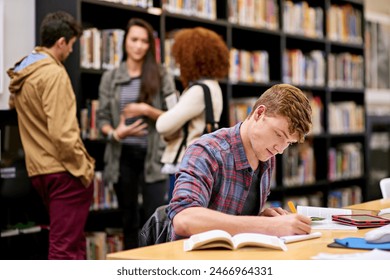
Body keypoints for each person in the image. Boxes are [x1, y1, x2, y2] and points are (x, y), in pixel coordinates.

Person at [167, 84, 313, 241]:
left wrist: (262, 218)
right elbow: (183, 219)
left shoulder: (266, 156)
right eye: (278, 134)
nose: (280, 149)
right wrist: (266, 227)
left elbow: (239, 219)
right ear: (259, 113)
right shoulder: (206, 151)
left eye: (289, 142)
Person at [7, 11, 95, 259]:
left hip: (39, 170)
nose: (70, 52)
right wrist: (84, 169)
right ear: (61, 42)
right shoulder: (54, 74)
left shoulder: (25, 74)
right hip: (64, 171)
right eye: (71, 45)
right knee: (65, 249)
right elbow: (63, 133)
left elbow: (19, 109)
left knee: (70, 243)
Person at [96, 18, 176, 249]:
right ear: (125, 42)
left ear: (151, 45)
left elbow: (175, 115)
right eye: (134, 40)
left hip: (154, 157)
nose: (139, 46)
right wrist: (115, 132)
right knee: (128, 220)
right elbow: (101, 118)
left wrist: (146, 110)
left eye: (144, 41)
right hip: (122, 156)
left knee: (155, 219)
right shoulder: (110, 77)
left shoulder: (161, 74)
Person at [156, 27, 229, 200]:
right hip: (203, 161)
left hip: (186, 161)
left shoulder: (198, 90)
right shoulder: (214, 87)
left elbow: (162, 125)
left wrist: (149, 111)